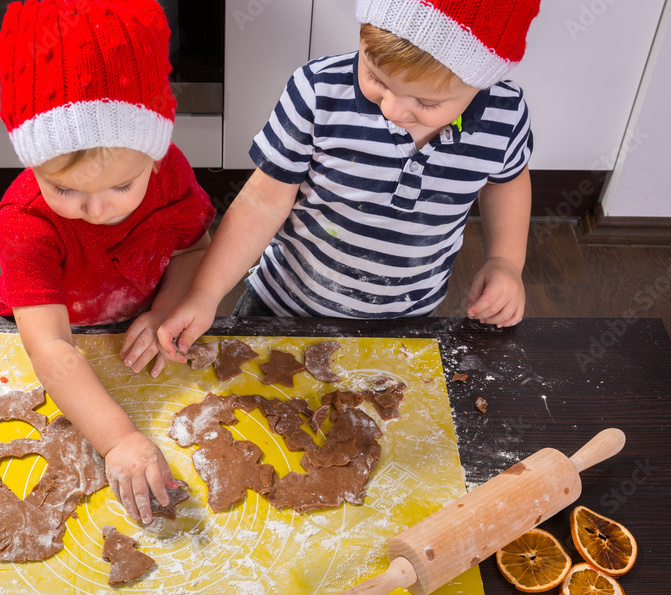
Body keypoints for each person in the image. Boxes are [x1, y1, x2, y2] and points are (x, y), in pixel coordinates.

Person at [159, 0, 540, 361]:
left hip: (407, 318)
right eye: (375, 77)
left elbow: (505, 183)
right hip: (285, 307)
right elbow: (261, 203)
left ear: (480, 83)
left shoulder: (503, 116)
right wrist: (205, 293)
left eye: (425, 103)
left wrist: (506, 261)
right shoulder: (319, 92)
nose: (392, 109)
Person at [0, 0, 215, 523]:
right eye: (65, 189)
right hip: (54, 340)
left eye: (121, 186)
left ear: (154, 157)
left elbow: (193, 250)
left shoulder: (170, 174)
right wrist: (117, 440)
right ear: (33, 165)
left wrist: (164, 309)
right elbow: (50, 349)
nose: (96, 209)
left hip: (137, 318)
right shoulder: (25, 221)